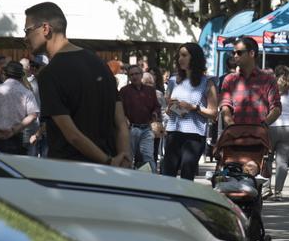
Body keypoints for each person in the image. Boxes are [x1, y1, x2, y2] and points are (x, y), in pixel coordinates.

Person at [23, 2, 131, 166]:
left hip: (70, 172)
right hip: (108, 172)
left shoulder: (49, 74)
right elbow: (120, 122)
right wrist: (123, 158)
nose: (25, 38)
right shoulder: (100, 64)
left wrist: (109, 162)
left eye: (27, 31)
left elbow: (72, 134)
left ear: (45, 29)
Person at [164, 42, 218, 180]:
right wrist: (171, 107)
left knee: (186, 176)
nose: (180, 59)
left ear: (195, 57)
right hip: (173, 132)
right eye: (178, 56)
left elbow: (213, 113)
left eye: (184, 55)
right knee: (167, 175)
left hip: (194, 136)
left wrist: (194, 107)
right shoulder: (172, 80)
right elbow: (168, 109)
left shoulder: (207, 82)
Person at [0, 61, 40, 155]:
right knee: (11, 167)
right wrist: (15, 129)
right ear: (21, 76)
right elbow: (33, 115)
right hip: (15, 136)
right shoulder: (27, 93)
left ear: (4, 74)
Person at [219, 37, 280, 128]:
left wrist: (263, 125)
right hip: (235, 136)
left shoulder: (268, 79)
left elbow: (276, 108)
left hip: (259, 136)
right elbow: (225, 106)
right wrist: (232, 127)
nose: (235, 56)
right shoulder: (229, 79)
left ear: (251, 53)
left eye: (239, 52)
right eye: (233, 53)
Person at [119, 64, 163, 172]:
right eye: (131, 75)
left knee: (148, 157)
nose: (134, 76)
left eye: (136, 74)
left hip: (146, 129)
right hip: (131, 129)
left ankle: (152, 183)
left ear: (141, 75)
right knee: (129, 158)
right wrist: (124, 118)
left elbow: (157, 106)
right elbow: (119, 109)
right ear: (129, 77)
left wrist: (155, 114)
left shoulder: (150, 90)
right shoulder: (124, 91)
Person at [269, 65, 289, 200]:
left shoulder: (270, 90)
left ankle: (265, 188)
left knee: (267, 159)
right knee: (282, 162)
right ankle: (278, 192)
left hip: (271, 125)